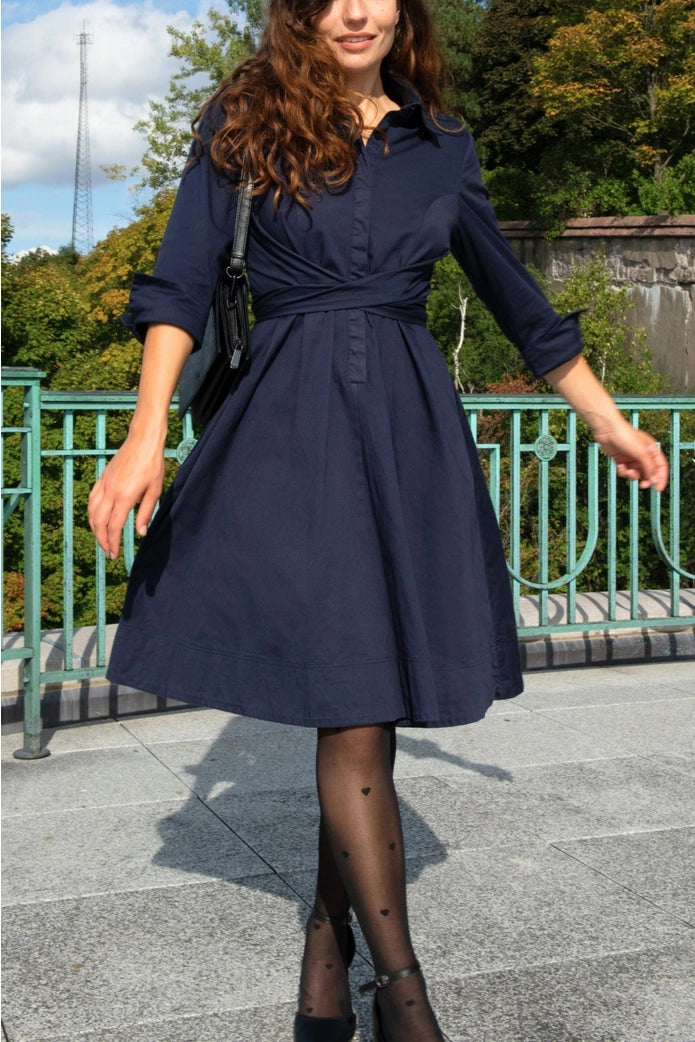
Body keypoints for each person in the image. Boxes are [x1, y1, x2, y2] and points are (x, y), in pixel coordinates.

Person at [88, 0, 669, 1038]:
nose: (353, 11)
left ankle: (327, 938)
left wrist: (610, 424)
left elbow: (515, 300)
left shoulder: (439, 146)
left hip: (406, 436)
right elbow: (178, 282)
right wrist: (144, 436)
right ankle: (405, 998)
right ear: (295, 12)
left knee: (364, 694)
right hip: (286, 432)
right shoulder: (244, 118)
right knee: (353, 699)